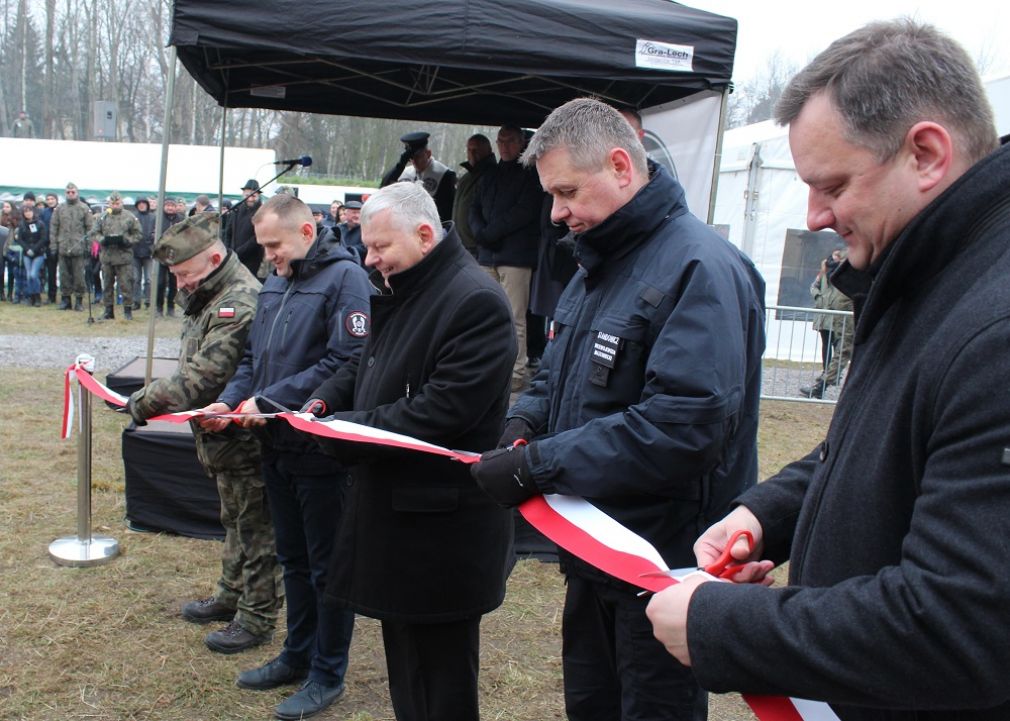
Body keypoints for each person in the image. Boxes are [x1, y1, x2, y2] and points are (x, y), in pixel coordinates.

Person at [643, 20, 1010, 721]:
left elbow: (960, 624)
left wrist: (720, 625)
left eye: (833, 185)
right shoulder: (927, 271)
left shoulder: (993, 326)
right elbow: (883, 440)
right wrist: (767, 511)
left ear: (927, 153)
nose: (813, 215)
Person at [469, 98, 766, 721]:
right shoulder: (595, 266)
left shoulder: (699, 268)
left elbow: (682, 428)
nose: (555, 213)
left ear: (621, 167)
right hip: (593, 549)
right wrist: (524, 422)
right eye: (550, 195)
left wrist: (541, 466)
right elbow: (557, 370)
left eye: (567, 191)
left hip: (660, 561)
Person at [303, 182, 516, 721]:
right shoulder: (411, 283)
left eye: (379, 248)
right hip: (400, 519)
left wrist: (344, 431)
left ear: (425, 235)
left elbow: (437, 415)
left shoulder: (474, 302)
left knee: (439, 680)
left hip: (440, 536)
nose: (369, 260)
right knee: (407, 669)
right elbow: (370, 360)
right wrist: (326, 400)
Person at [199, 193, 372, 721]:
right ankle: (296, 655)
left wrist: (269, 402)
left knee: (326, 568)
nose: (267, 255)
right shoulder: (277, 278)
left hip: (321, 451)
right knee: (292, 561)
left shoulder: (346, 280)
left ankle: (327, 672)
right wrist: (230, 400)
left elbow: (347, 360)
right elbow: (254, 357)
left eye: (274, 244)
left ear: (306, 231)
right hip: (272, 444)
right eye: (264, 246)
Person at [125, 212, 281, 655]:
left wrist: (144, 400)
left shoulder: (240, 300)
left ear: (214, 258)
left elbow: (204, 378)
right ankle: (231, 594)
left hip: (245, 437)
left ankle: (256, 616)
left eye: (185, 273)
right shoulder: (210, 292)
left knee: (255, 527)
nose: (179, 284)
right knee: (233, 520)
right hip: (221, 438)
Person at [469, 124, 543, 391]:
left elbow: (525, 211)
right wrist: (480, 232)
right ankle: (486, 367)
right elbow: (474, 207)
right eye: (500, 141)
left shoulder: (532, 173)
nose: (504, 146)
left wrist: (489, 232)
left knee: (515, 319)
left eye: (510, 141)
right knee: (483, 315)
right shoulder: (490, 174)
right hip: (487, 255)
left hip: (516, 258)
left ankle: (514, 376)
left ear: (522, 141)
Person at [801, 248, 853, 398]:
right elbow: (815, 287)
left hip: (846, 318)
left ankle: (822, 386)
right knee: (837, 349)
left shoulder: (850, 273)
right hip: (833, 316)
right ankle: (822, 386)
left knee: (842, 350)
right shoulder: (831, 274)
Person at [380, 131, 456, 222]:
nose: (414, 161)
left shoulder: (445, 175)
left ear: (428, 154)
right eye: (411, 158)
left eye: (418, 156)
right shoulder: (405, 173)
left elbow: (448, 210)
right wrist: (400, 165)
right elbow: (383, 189)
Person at [90, 192, 141, 320]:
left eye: (117, 203)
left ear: (121, 203)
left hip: (123, 257)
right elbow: (94, 232)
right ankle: (108, 311)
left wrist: (126, 240)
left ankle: (127, 311)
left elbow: (138, 234)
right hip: (107, 257)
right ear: (109, 203)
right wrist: (102, 239)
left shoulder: (129, 217)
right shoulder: (103, 217)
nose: (114, 205)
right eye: (112, 203)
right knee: (107, 285)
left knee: (125, 285)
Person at [50, 182, 93, 311]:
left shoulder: (84, 208)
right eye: (68, 192)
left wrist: (88, 247)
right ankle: (65, 300)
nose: (70, 194)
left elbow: (90, 229)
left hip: (78, 248)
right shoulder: (59, 209)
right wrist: (53, 246)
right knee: (63, 275)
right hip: (63, 247)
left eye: (73, 192)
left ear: (77, 193)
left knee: (79, 276)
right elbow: (54, 228)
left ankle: (79, 301)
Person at [451, 133, 496, 256]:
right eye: (469, 149)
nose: (471, 153)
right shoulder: (466, 177)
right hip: (461, 244)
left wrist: (482, 236)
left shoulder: (493, 175)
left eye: (476, 150)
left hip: (478, 247)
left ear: (489, 150)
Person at [155, 198, 184, 317]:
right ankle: (158, 308)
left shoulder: (181, 220)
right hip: (161, 255)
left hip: (176, 257)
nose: (170, 208)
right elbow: (153, 235)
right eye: (167, 205)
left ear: (176, 207)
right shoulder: (158, 219)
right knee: (160, 283)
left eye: (172, 205)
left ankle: (171, 307)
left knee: (174, 284)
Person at [230, 179, 264, 278]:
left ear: (258, 196)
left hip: (251, 259)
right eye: (247, 195)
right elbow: (228, 232)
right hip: (233, 258)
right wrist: (229, 250)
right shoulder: (236, 209)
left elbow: (257, 238)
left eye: (253, 196)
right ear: (243, 195)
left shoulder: (261, 212)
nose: (250, 199)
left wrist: (239, 252)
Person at [16, 202, 47, 307]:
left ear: (33, 212)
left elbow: (43, 238)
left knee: (34, 274)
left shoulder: (40, 224)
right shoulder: (21, 224)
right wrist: (27, 249)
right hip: (26, 254)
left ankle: (37, 296)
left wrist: (34, 249)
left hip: (38, 253)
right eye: (25, 212)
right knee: (29, 276)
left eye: (29, 211)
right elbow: (19, 239)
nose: (28, 213)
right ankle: (31, 297)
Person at [131, 197, 156, 310]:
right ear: (137, 205)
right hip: (134, 252)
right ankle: (136, 301)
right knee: (136, 279)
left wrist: (152, 241)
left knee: (148, 279)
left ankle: (148, 301)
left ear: (147, 205)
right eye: (139, 204)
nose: (142, 206)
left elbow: (156, 231)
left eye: (143, 204)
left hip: (148, 252)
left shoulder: (153, 217)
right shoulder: (132, 217)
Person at [40, 193, 59, 304]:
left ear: (56, 200)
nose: (50, 201)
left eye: (52, 199)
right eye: (48, 199)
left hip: (61, 245)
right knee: (51, 273)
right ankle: (51, 296)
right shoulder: (44, 213)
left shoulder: (61, 210)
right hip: (48, 246)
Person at [336, 199, 363, 264]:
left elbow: (365, 248)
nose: (357, 215)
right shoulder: (339, 229)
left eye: (359, 213)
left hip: (360, 267)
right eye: (354, 212)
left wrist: (345, 249)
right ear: (345, 214)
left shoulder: (366, 229)